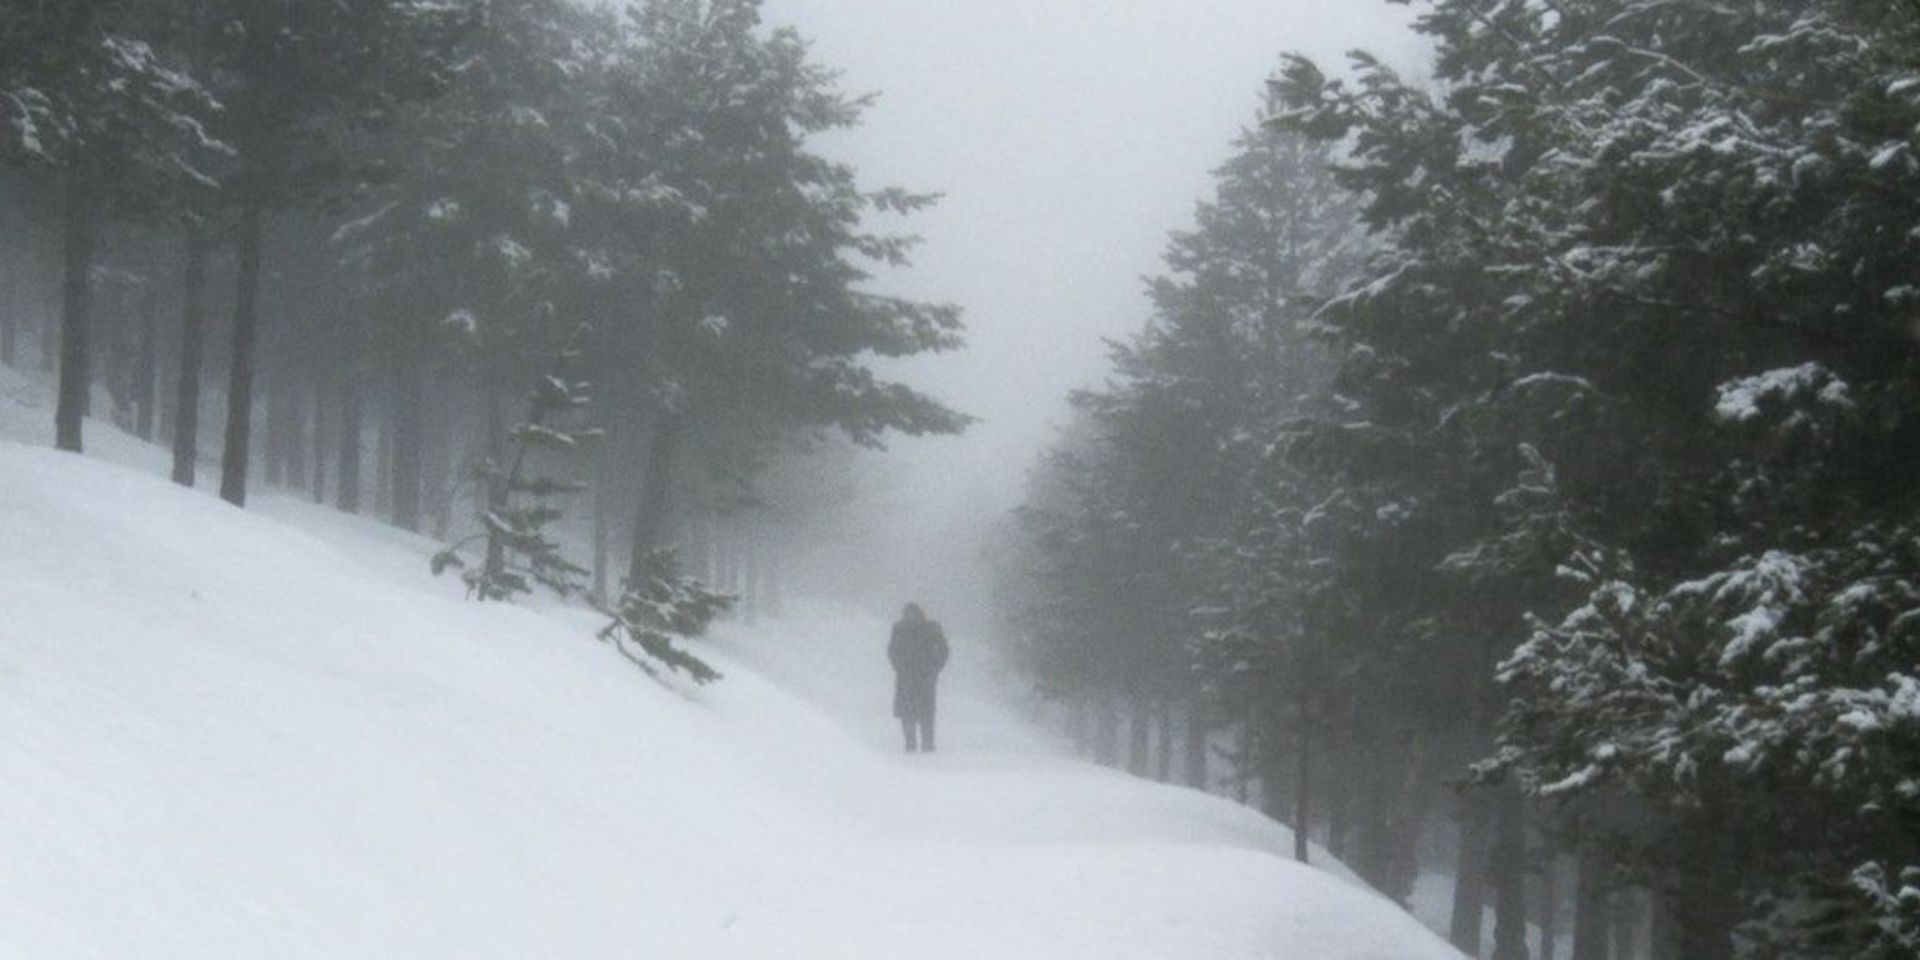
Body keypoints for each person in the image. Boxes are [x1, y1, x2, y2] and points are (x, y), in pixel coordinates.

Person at [888, 602, 949, 752]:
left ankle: (928, 745)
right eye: (907, 614)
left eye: (913, 614)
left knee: (926, 713)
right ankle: (910, 744)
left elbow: (943, 649)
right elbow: (892, 650)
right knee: (906, 713)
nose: (910, 617)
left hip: (925, 678)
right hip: (906, 678)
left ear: (920, 614)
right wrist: (899, 666)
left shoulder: (931, 629)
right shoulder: (899, 629)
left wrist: (935, 668)